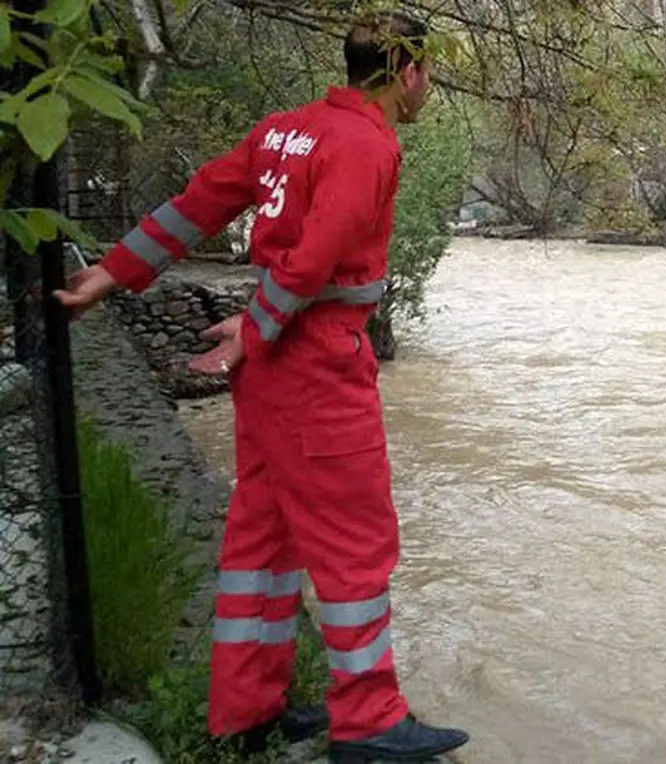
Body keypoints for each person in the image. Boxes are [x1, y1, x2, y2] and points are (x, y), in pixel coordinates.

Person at [54, 12, 471, 763]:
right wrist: (257, 324)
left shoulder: (286, 130)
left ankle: (248, 709)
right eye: (427, 73)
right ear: (408, 70)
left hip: (272, 371)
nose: (427, 88)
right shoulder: (366, 144)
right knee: (355, 541)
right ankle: (370, 721)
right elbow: (315, 258)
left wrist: (113, 271)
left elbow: (200, 200)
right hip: (315, 359)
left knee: (264, 534)